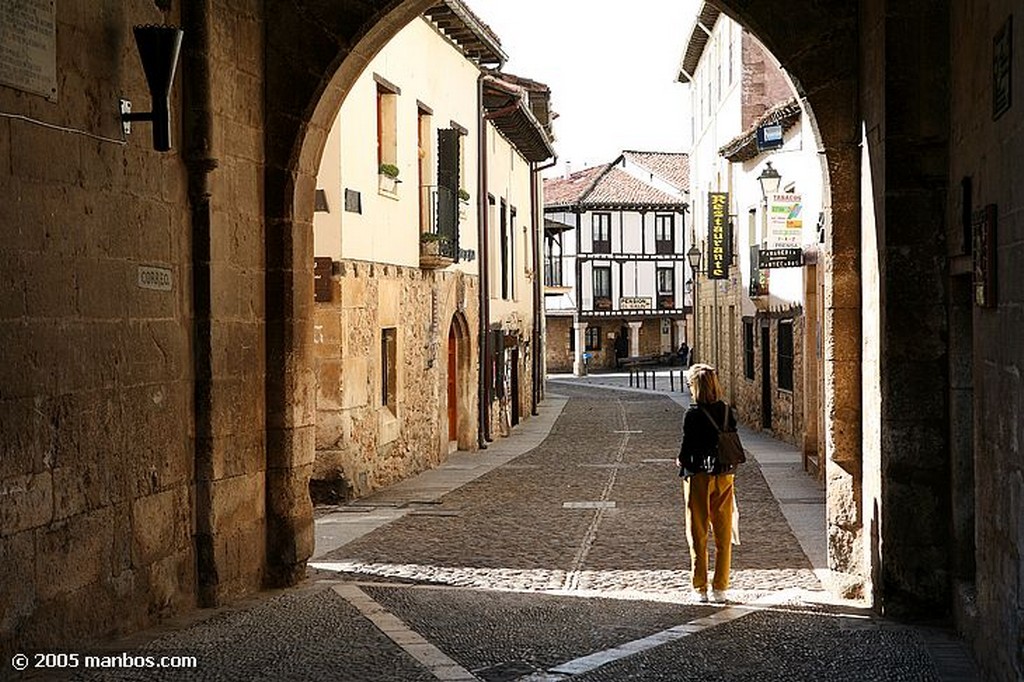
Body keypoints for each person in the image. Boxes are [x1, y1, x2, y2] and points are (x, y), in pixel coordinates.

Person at [676, 363, 737, 603]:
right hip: (723, 474)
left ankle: (700, 586)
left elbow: (687, 446)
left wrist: (680, 459)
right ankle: (721, 587)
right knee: (723, 531)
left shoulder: (692, 414)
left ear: (695, 386)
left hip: (698, 476)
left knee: (697, 531)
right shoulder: (725, 410)